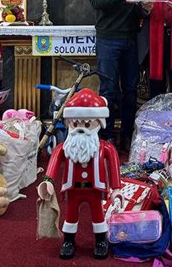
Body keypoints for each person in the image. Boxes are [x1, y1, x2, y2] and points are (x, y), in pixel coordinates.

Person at [38, 89, 122, 260]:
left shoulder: (105, 148)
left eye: (87, 124)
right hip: (73, 190)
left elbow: (114, 168)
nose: (81, 129)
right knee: (71, 216)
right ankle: (68, 241)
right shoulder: (64, 148)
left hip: (95, 190)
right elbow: (53, 163)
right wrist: (47, 181)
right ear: (70, 123)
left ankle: (100, 241)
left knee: (98, 216)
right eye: (76, 125)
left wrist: (116, 189)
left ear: (99, 123)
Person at [88, 0, 146, 146]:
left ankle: (128, 135)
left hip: (133, 37)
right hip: (108, 37)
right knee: (109, 89)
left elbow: (140, 4)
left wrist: (146, 7)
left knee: (131, 90)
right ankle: (108, 135)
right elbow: (96, 0)